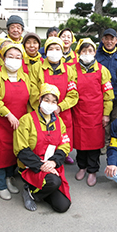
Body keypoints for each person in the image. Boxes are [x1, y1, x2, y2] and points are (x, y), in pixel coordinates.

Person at [0, 43, 30, 200]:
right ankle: (1, 185)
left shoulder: (25, 77)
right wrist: (8, 114)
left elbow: (30, 100)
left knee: (13, 152)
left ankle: (9, 179)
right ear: (3, 57)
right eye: (10, 56)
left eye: (18, 57)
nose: (14, 60)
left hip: (19, 123)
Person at [14, 83, 71, 213]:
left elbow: (65, 145)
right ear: (39, 100)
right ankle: (29, 192)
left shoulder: (59, 122)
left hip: (51, 164)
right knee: (54, 181)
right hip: (31, 166)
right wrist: (41, 165)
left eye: (53, 101)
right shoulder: (26, 120)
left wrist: (53, 162)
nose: (50, 104)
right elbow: (20, 149)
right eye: (46, 100)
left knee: (62, 206)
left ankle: (41, 191)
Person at [30, 37, 78, 165]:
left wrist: (60, 107)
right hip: (41, 109)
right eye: (50, 48)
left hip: (62, 111)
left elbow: (73, 94)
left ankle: (62, 155)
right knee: (43, 137)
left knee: (61, 135)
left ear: (62, 51)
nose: (54, 51)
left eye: (57, 49)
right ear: (45, 51)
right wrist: (44, 107)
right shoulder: (36, 68)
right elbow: (32, 91)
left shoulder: (69, 70)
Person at [72, 38, 114, 187]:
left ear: (95, 52)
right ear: (79, 53)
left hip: (96, 114)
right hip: (78, 113)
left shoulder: (102, 70)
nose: (87, 53)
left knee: (94, 145)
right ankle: (82, 167)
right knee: (80, 143)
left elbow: (108, 95)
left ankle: (92, 170)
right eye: (84, 51)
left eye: (90, 50)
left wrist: (106, 114)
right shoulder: (72, 69)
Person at [95, 28, 117, 154]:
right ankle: (104, 143)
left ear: (116, 40)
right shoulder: (97, 56)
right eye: (107, 38)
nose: (109, 41)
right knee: (103, 121)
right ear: (103, 40)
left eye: (112, 38)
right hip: (102, 95)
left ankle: (113, 143)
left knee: (116, 120)